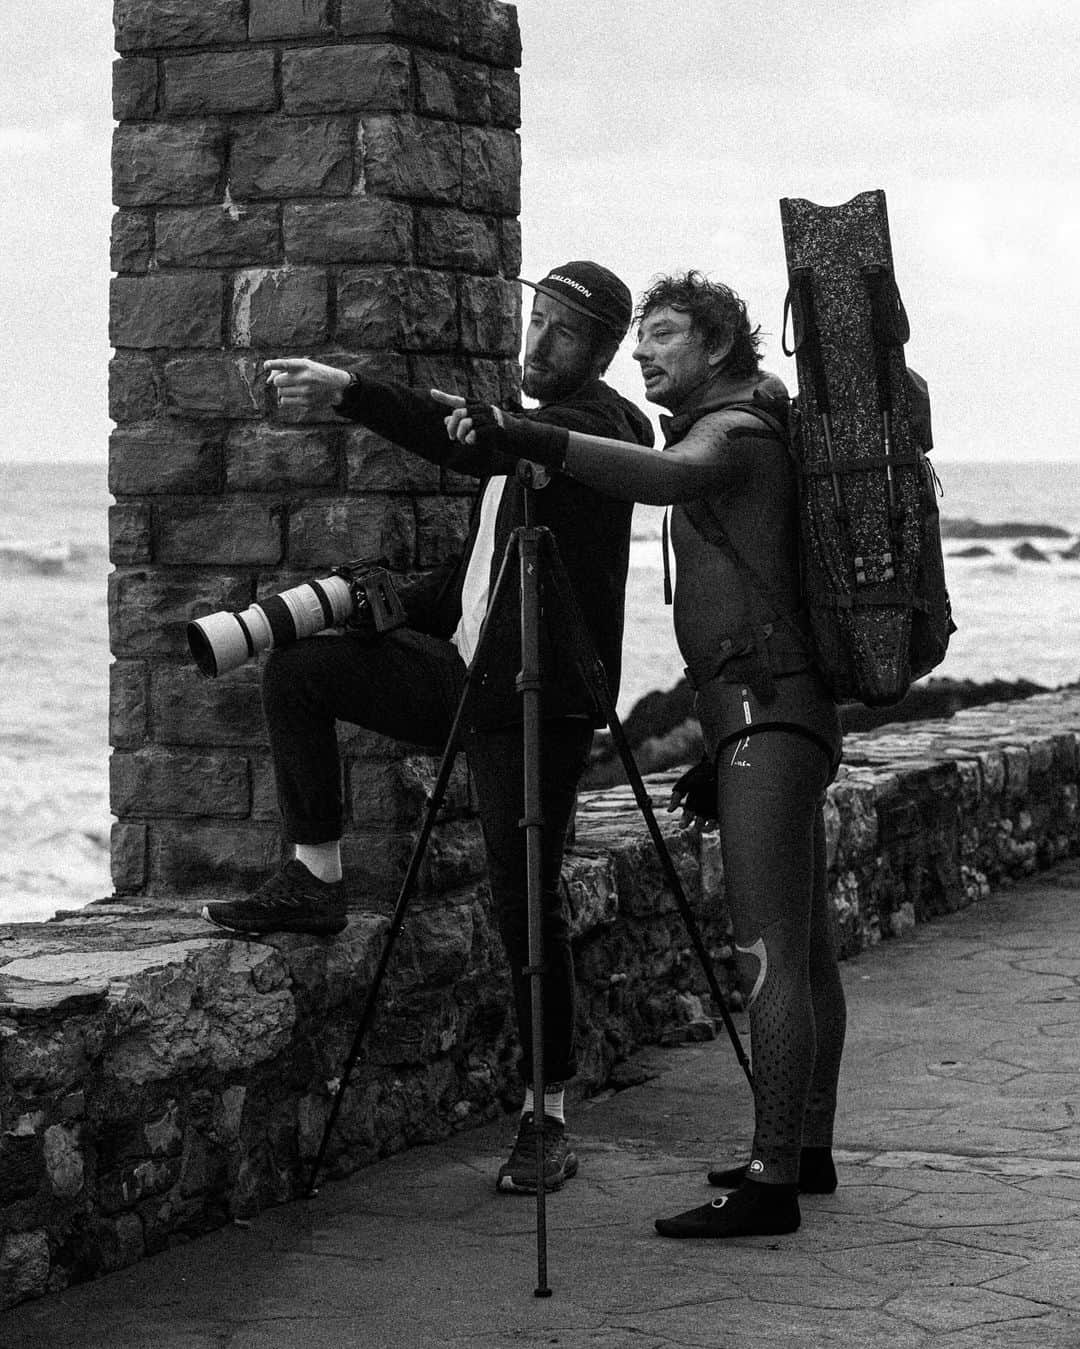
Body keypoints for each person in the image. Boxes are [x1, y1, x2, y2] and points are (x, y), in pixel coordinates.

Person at [202, 261, 654, 1195]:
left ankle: (547, 1115)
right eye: (536, 323)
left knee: (524, 891)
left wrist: (349, 392)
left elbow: (474, 440)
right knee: (302, 667)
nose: (539, 344)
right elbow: (475, 582)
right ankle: (315, 876)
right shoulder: (523, 443)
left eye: (564, 332)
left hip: (537, 700)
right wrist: (390, 604)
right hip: (466, 672)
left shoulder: (601, 429)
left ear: (603, 350)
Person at [444, 271, 845, 1238]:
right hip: (766, 709)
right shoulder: (750, 421)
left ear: (716, 345)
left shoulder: (737, 431)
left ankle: (768, 1183)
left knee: (768, 952)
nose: (644, 355)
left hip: (764, 707)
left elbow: (668, 477)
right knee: (810, 946)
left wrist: (533, 437)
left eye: (662, 336)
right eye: (642, 342)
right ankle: (807, 1150)